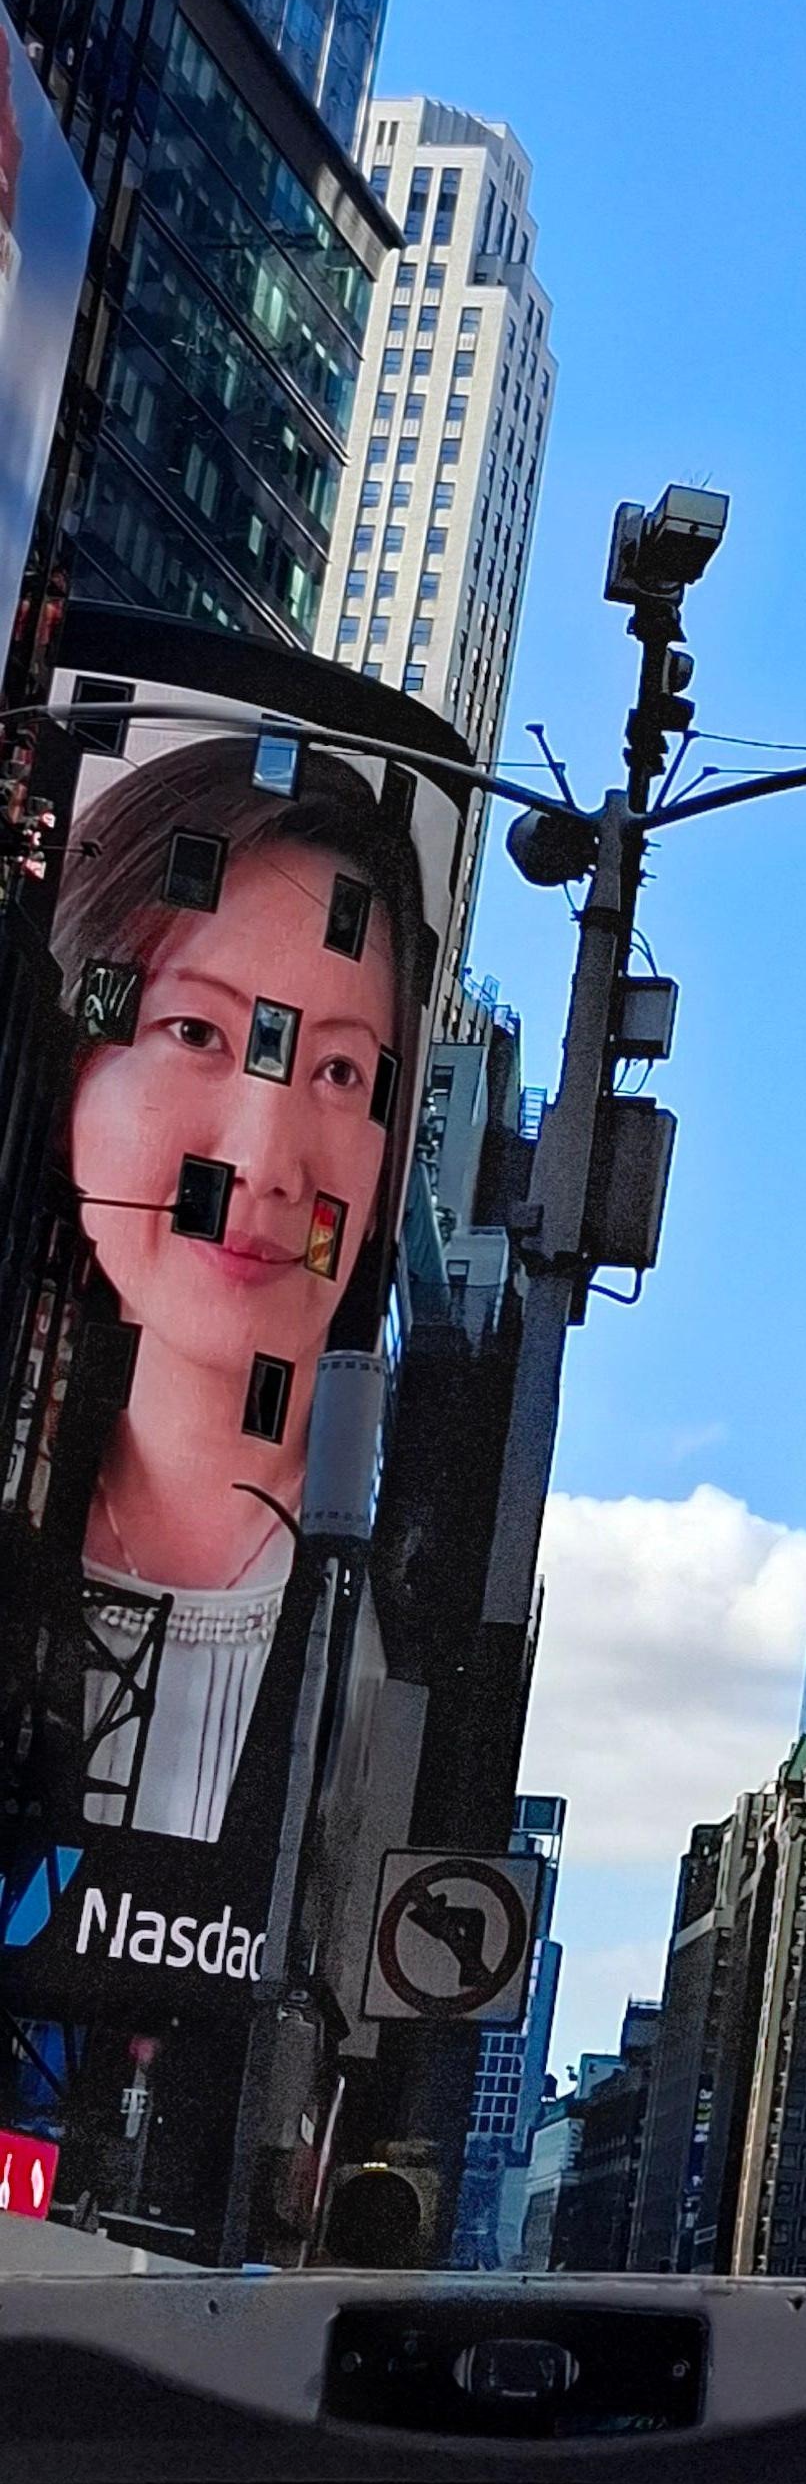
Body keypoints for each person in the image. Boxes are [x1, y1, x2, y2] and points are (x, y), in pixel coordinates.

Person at [9, 731, 429, 1842]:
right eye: (195, 1030)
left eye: (340, 1072)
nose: (264, 1161)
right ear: (74, 1064)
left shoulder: (388, 1647)